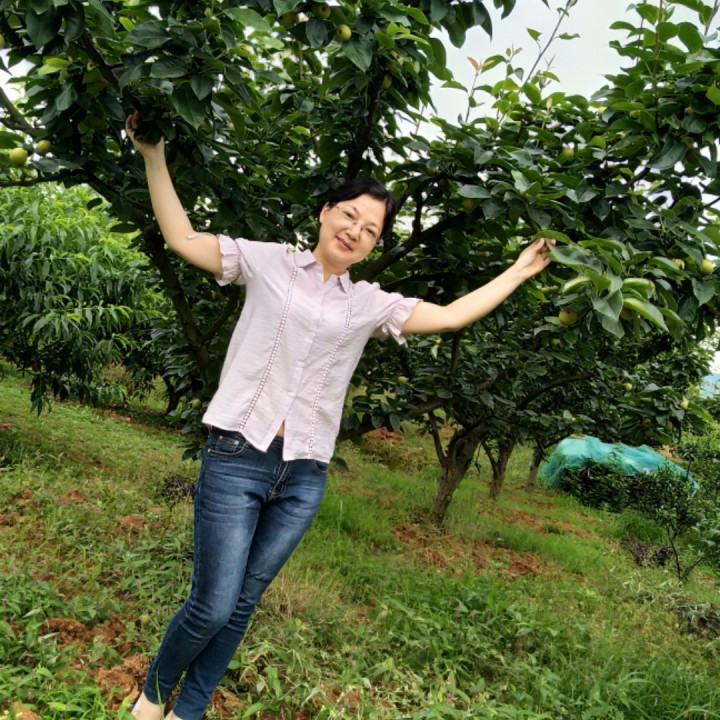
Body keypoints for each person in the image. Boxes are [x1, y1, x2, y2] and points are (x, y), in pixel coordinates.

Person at [124, 111, 553, 720]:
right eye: (349, 215)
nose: (356, 231)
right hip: (238, 454)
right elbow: (182, 239)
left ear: (375, 244)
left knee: (243, 605)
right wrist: (153, 156)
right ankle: (153, 695)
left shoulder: (371, 304)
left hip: (303, 474)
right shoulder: (268, 261)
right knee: (213, 603)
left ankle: (187, 710)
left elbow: (452, 315)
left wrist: (518, 270)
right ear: (325, 213)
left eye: (371, 230)